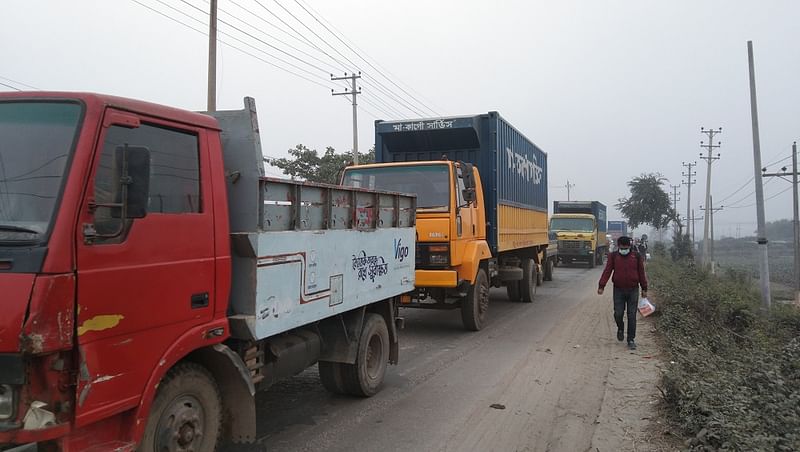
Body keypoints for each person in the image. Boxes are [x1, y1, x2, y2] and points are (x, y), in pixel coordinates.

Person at [597, 236, 648, 350]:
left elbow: (641, 273)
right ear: (618, 246)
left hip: (633, 290)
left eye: (626, 247)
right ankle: (620, 327)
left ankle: (631, 339)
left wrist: (644, 288)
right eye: (622, 247)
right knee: (618, 313)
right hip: (618, 289)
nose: (624, 249)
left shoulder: (636, 256)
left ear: (629, 246)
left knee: (631, 315)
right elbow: (607, 271)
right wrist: (602, 285)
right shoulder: (613, 256)